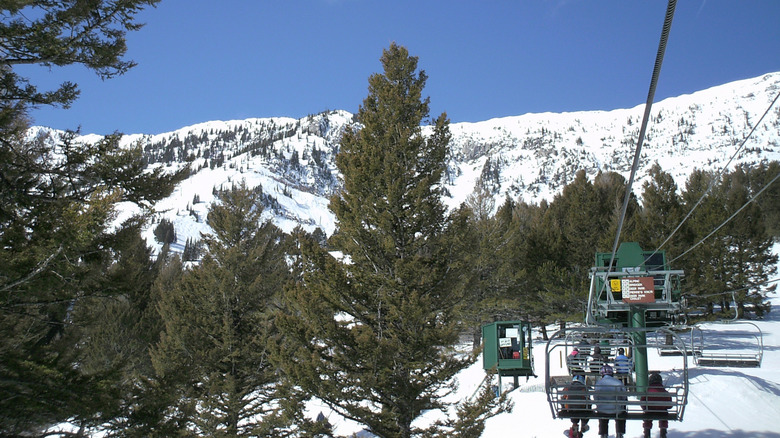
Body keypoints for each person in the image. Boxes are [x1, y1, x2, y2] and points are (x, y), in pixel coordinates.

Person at [594, 364, 626, 438]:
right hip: (617, 410)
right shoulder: (618, 382)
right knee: (621, 411)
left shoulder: (598, 383)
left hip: (602, 410)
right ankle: (619, 433)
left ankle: (603, 434)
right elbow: (624, 396)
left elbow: (596, 398)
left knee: (602, 416)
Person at [641, 372, 672, 438]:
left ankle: (647, 433)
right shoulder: (664, 392)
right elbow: (670, 405)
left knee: (647, 414)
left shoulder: (647, 391)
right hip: (662, 412)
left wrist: (645, 407)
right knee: (664, 412)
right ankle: (663, 432)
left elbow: (642, 402)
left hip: (649, 412)